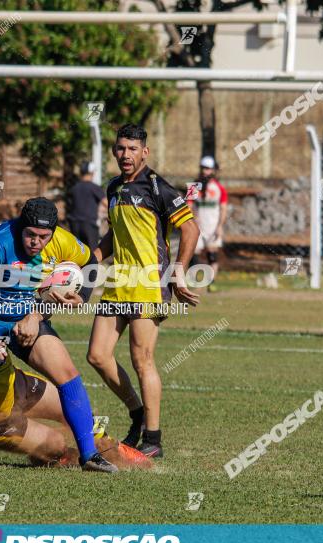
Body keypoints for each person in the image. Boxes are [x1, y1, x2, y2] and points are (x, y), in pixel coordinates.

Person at [0, 197, 118, 473]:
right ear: (20, 227)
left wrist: (81, 296)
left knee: (67, 371)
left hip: (28, 316)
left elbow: (91, 264)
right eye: (30, 235)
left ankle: (89, 456)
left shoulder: (63, 240)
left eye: (43, 237)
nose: (36, 242)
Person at [86, 123, 200, 458]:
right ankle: (136, 413)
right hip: (118, 282)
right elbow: (113, 235)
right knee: (97, 355)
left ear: (145, 152)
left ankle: (153, 439)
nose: (125, 155)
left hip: (150, 284)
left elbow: (191, 228)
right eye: (120, 148)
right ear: (114, 151)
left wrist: (179, 270)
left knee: (142, 358)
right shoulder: (113, 188)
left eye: (132, 149)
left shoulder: (157, 187)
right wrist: (91, 257)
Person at [0, 318, 152, 470]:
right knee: (55, 445)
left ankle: (112, 447)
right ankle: (64, 458)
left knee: (73, 406)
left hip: (20, 386)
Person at [190, 156, 228, 292]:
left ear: (213, 170)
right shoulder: (194, 186)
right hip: (197, 227)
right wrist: (193, 219)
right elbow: (189, 206)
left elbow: (223, 209)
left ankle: (211, 282)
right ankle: (196, 281)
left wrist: (220, 227)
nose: (205, 171)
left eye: (207, 168)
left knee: (212, 255)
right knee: (193, 252)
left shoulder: (219, 188)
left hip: (212, 227)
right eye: (203, 168)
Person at [66, 161, 106, 248]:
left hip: (74, 224)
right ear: (92, 173)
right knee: (92, 253)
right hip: (89, 225)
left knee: (77, 251)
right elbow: (107, 203)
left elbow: (69, 206)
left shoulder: (74, 188)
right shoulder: (94, 187)